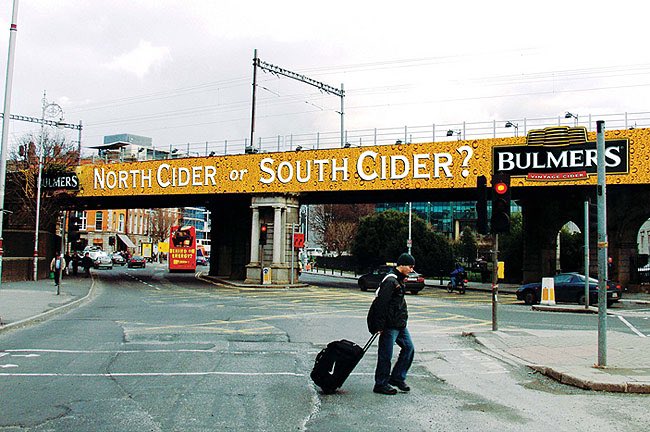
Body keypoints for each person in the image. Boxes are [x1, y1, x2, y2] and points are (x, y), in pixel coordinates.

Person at [368, 252, 416, 395]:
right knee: (386, 355)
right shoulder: (391, 281)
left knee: (409, 348)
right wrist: (379, 326)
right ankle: (381, 384)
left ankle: (397, 378)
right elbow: (381, 305)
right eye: (410, 266)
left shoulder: (399, 280)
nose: (412, 270)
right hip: (389, 325)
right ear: (401, 265)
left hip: (399, 324)